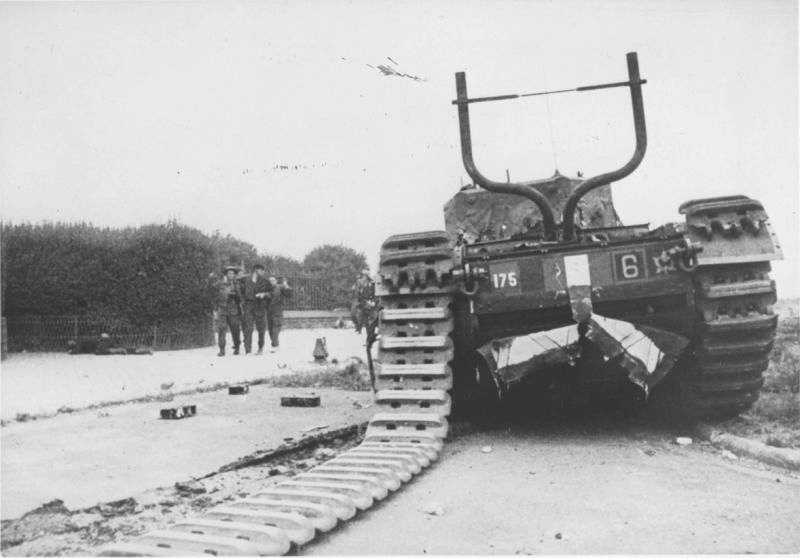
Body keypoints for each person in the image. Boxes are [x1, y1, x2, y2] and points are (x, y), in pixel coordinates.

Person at [240, 264, 271, 355]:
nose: (262, 272)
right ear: (255, 271)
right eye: (260, 270)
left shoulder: (265, 281)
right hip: (249, 305)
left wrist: (264, 295)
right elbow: (240, 291)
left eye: (262, 270)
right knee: (248, 327)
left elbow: (271, 293)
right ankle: (248, 350)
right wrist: (243, 302)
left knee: (261, 328)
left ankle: (260, 348)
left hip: (260, 306)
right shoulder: (245, 280)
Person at [214, 265, 243, 356]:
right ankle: (222, 349)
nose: (231, 275)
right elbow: (213, 290)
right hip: (222, 309)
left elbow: (241, 297)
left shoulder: (237, 284)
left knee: (235, 329)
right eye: (229, 273)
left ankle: (237, 347)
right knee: (221, 329)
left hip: (233, 309)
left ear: (234, 275)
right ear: (226, 274)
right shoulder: (220, 283)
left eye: (232, 273)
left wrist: (235, 294)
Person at [266, 274, 293, 352]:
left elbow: (289, 294)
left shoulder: (280, 287)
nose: (271, 282)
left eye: (273, 280)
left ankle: (274, 346)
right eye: (270, 281)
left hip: (277, 311)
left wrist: (286, 285)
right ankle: (276, 344)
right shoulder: (267, 289)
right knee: (270, 330)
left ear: (276, 281)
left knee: (275, 329)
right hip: (269, 312)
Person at [350, 269, 376, 334]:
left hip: (366, 300)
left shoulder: (370, 282)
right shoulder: (358, 281)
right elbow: (353, 289)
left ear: (367, 276)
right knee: (353, 314)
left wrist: (371, 300)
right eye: (363, 275)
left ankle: (362, 329)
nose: (364, 276)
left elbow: (372, 292)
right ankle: (358, 326)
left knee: (364, 316)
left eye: (365, 275)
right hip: (357, 299)